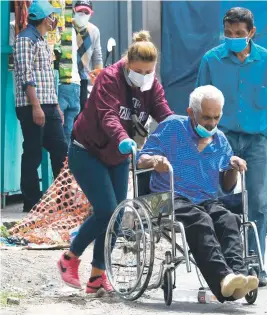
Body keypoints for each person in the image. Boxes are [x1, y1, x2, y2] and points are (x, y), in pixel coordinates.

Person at [57, 30, 174, 293]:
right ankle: (69, 259)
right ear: (127, 64)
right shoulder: (109, 78)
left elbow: (163, 112)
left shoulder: (151, 84)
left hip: (120, 155)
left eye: (148, 71)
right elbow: (108, 115)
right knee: (107, 210)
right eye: (139, 71)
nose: (143, 77)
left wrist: (181, 130)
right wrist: (122, 137)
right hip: (87, 151)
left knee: (117, 216)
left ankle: (98, 275)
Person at [138, 85, 259, 303]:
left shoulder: (220, 139)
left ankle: (239, 276)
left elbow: (228, 186)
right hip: (167, 197)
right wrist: (155, 161)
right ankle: (223, 280)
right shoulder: (172, 127)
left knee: (229, 219)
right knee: (200, 220)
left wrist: (232, 166)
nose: (211, 123)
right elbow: (141, 158)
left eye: (216, 117)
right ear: (191, 112)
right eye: (206, 118)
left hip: (205, 199)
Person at [196, 7, 267, 286]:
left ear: (251, 33)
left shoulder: (266, 60)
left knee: (257, 205)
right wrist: (198, 142)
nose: (233, 38)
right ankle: (224, 266)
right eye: (228, 33)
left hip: (256, 141)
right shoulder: (211, 60)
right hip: (220, 140)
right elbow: (198, 104)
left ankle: (255, 266)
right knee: (215, 203)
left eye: (239, 34)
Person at [13, 0, 67, 213]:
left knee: (61, 151)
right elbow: (26, 76)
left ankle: (63, 200)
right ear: (46, 19)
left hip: (49, 105)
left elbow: (46, 77)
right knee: (33, 153)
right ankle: (32, 201)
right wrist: (36, 107)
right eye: (52, 16)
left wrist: (55, 106)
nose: (54, 20)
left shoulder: (42, 40)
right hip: (32, 106)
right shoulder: (25, 40)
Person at [56, 1, 81, 145]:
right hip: (75, 85)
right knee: (68, 131)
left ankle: (61, 165)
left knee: (57, 132)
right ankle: (67, 163)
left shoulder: (59, 30)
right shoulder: (73, 30)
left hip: (63, 84)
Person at [73, 0, 103, 112]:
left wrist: (98, 79)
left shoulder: (94, 31)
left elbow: (97, 56)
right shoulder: (67, 27)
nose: (82, 14)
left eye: (86, 12)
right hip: (67, 78)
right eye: (80, 11)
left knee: (82, 112)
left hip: (83, 77)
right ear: (74, 10)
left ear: (91, 14)